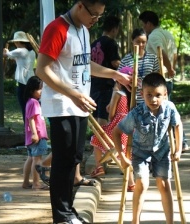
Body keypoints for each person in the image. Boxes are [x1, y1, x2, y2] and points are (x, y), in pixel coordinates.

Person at [35, 1, 132, 223]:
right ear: (80, 6)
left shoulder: (84, 31)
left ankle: (69, 210)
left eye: (99, 16)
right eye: (93, 15)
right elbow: (42, 69)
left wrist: (114, 75)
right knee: (63, 160)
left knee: (74, 158)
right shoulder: (57, 28)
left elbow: (85, 64)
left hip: (79, 104)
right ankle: (62, 215)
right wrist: (73, 94)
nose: (95, 20)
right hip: (62, 105)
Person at [112, 72, 183, 224]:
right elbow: (116, 132)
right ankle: (135, 221)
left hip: (162, 151)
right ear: (141, 94)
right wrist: (122, 156)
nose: (153, 99)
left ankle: (170, 221)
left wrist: (178, 149)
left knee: (164, 184)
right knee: (142, 184)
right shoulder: (136, 113)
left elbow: (178, 125)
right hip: (140, 152)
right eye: (149, 95)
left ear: (165, 94)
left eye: (158, 95)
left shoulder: (169, 108)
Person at [139, 10, 189, 151]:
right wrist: (172, 68)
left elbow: (162, 53)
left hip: (159, 81)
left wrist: (169, 68)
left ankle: (177, 142)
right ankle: (180, 141)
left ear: (148, 23)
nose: (143, 28)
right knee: (169, 111)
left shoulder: (154, 36)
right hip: (166, 79)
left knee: (164, 112)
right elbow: (174, 53)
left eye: (143, 25)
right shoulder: (167, 33)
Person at [89, 81, 136, 191]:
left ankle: (99, 166)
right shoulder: (133, 96)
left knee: (97, 137)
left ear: (119, 83)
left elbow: (111, 115)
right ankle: (131, 183)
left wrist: (110, 109)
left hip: (117, 129)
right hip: (129, 130)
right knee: (127, 154)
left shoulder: (118, 93)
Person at [90, 15, 121, 126]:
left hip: (93, 85)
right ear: (114, 29)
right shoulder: (111, 43)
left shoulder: (94, 44)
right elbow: (115, 62)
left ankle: (95, 141)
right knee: (103, 116)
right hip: (106, 85)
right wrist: (126, 69)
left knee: (96, 116)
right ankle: (101, 143)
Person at [117, 28, 160, 105]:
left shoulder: (153, 58)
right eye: (138, 42)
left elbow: (158, 79)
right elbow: (118, 81)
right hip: (131, 100)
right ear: (132, 41)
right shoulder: (125, 60)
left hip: (150, 100)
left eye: (143, 42)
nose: (141, 45)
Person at [22, 76, 49, 190]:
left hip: (31, 137)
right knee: (37, 159)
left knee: (31, 158)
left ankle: (26, 182)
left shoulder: (31, 102)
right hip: (36, 136)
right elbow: (31, 119)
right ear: (31, 90)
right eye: (39, 89)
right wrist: (35, 133)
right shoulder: (34, 103)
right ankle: (36, 183)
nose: (42, 91)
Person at [3, 31, 36, 122]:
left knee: (24, 106)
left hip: (23, 81)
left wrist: (6, 52)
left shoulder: (20, 50)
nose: (15, 44)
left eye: (15, 42)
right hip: (31, 80)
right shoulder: (31, 52)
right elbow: (16, 58)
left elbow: (4, 55)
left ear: (18, 42)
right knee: (30, 105)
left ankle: (27, 127)